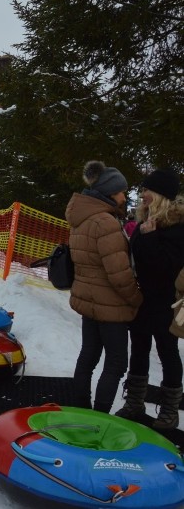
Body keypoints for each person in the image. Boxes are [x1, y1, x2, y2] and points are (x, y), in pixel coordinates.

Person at [66, 160, 143, 413]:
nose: (124, 196)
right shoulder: (105, 222)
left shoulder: (82, 218)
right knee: (116, 362)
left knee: (88, 356)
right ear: (110, 192)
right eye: (121, 191)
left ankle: (80, 408)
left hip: (89, 300)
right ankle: (100, 416)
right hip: (110, 306)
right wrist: (136, 298)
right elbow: (119, 274)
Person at [115, 169, 183, 429]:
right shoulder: (145, 220)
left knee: (168, 354)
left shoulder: (178, 226)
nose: (142, 195)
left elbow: (166, 267)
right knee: (139, 351)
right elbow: (137, 260)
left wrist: (151, 237)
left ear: (162, 195)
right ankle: (134, 403)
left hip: (166, 302)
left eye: (148, 191)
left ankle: (169, 412)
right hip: (142, 299)